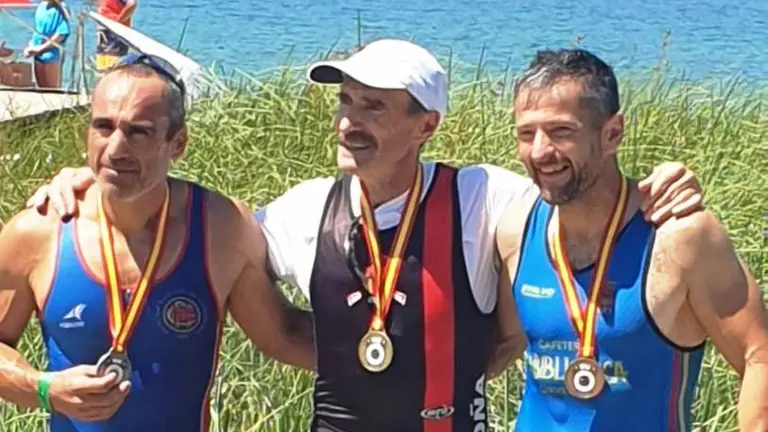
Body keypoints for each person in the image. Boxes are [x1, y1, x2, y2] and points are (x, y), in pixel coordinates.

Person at [26, 39, 705, 431]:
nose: (350, 121)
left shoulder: (483, 197)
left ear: (426, 126)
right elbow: (200, 229)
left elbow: (577, 196)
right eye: (346, 103)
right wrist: (90, 180)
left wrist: (657, 184)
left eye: (373, 107)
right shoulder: (300, 211)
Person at [0, 53, 315, 431]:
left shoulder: (221, 228)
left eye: (139, 131)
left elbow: (284, 336)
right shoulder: (37, 231)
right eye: (103, 127)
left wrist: (394, 354)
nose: (116, 148)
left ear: (178, 143)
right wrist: (43, 388)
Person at [494, 48, 768, 431]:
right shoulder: (515, 230)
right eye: (527, 134)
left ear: (613, 133)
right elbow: (504, 343)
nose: (540, 151)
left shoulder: (680, 236)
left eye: (561, 131)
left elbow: (758, 354)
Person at [24, 0, 70, 88]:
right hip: (37, 53)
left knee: (53, 92)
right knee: (41, 90)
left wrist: (40, 48)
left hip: (52, 54)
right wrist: (31, 46)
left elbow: (61, 34)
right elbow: (38, 30)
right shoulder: (41, 6)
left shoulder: (61, 8)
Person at [95, 0, 137, 71]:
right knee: (102, 68)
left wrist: (119, 20)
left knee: (113, 67)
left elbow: (132, 4)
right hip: (103, 32)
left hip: (115, 33)